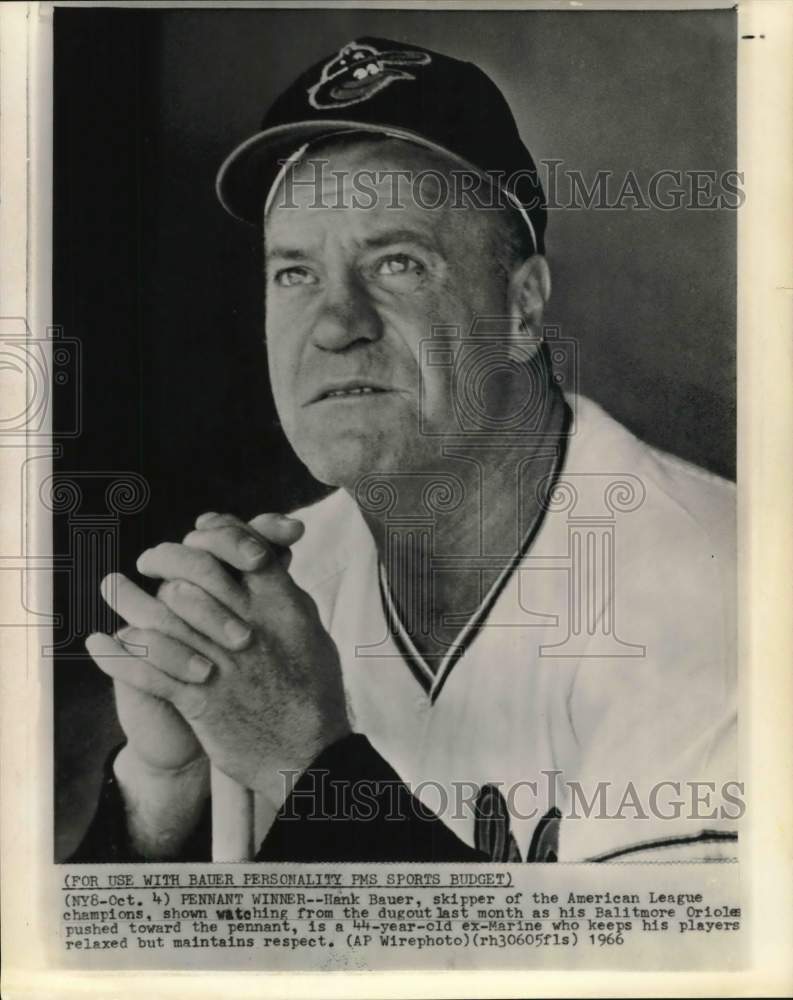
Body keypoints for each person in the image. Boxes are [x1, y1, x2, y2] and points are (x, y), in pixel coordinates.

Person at [75, 38, 737, 863]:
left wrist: (300, 760)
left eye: (396, 262)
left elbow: (649, 981)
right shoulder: (275, 599)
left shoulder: (724, 590)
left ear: (522, 308)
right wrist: (165, 794)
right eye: (294, 274)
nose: (334, 323)